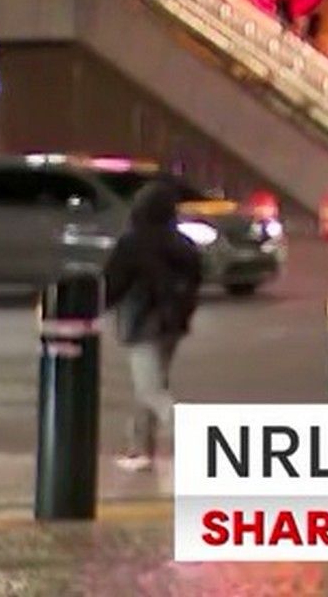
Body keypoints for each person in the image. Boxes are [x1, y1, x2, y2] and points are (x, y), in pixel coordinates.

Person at [102, 179, 204, 471]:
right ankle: (141, 450)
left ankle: (196, 437)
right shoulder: (183, 244)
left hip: (142, 323)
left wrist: (94, 307)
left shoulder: (132, 243)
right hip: (173, 324)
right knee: (150, 385)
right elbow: (195, 281)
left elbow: (113, 284)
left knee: (150, 390)